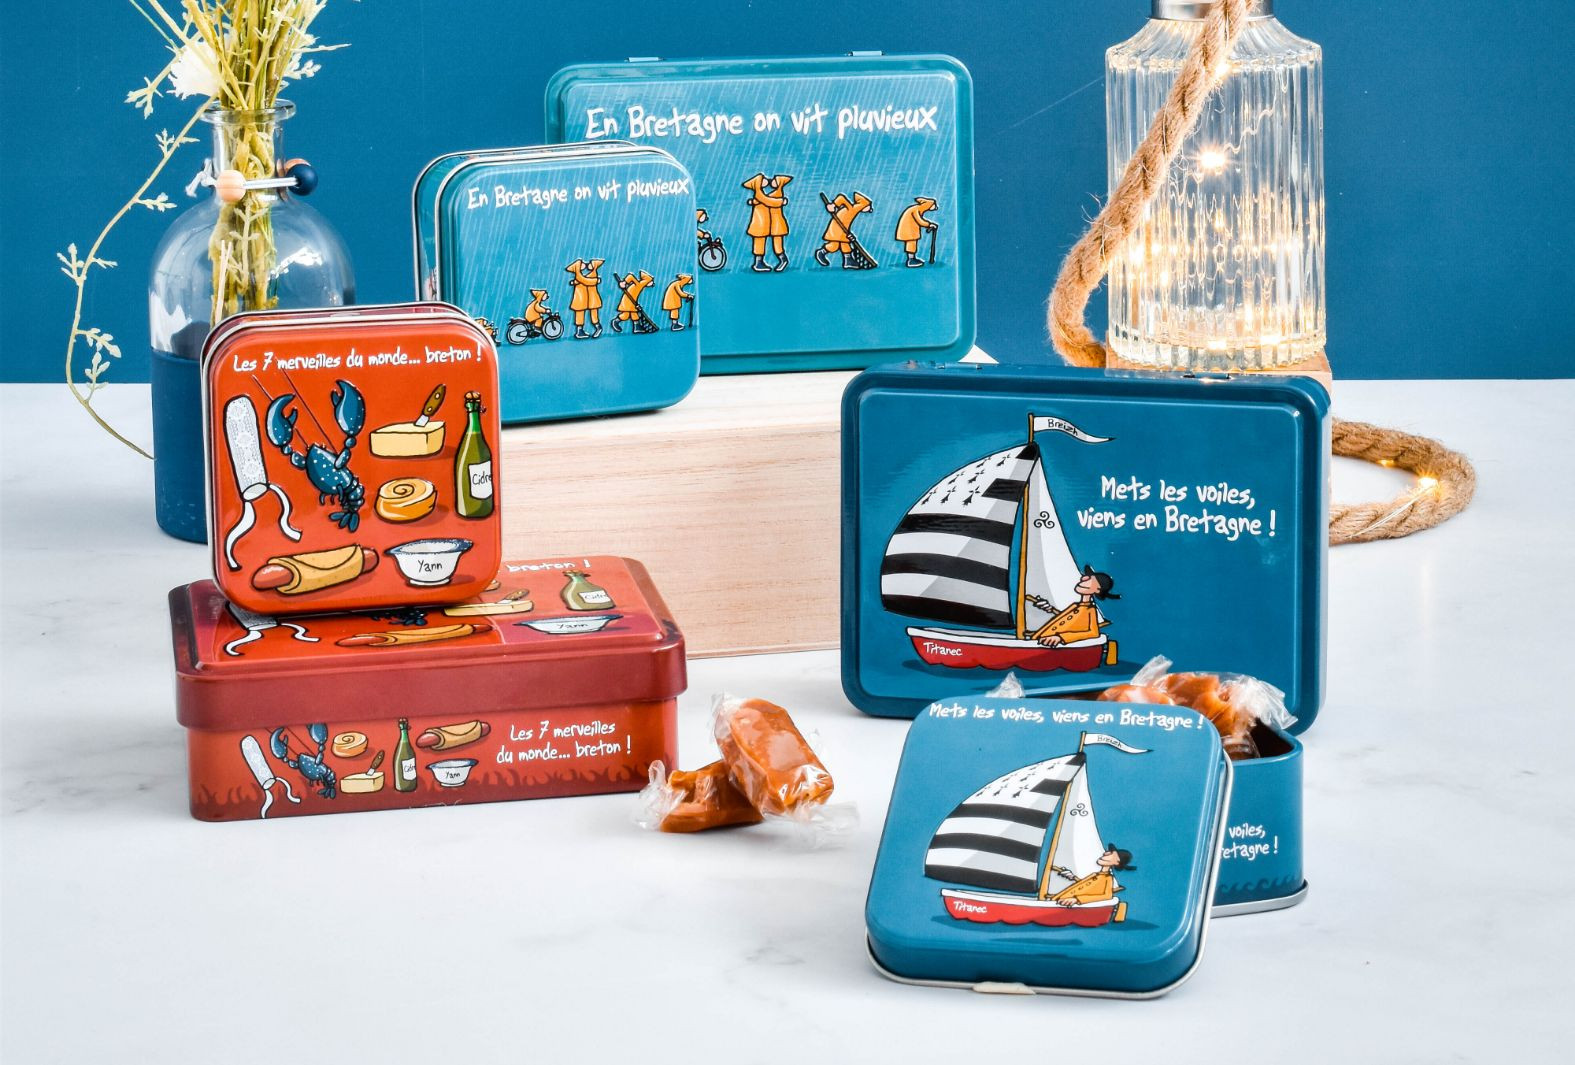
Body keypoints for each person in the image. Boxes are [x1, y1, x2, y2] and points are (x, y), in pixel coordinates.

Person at [1026, 564, 1118, 647]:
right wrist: (1050, 609)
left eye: (1090, 579)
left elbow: (1093, 633)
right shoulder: (1075, 606)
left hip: (1052, 643)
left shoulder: (1090, 610)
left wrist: (1061, 637)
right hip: (1042, 638)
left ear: (1097, 590)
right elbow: (1065, 618)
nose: (1083, 578)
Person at [1051, 844, 1134, 907]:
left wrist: (1077, 899)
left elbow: (1106, 896)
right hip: (1059, 899)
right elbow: (1087, 886)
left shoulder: (1107, 878)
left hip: (1067, 904)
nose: (1105, 853)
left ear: (1117, 862)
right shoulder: (1096, 875)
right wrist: (1072, 876)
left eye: (1111, 854)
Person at [742, 173, 792, 272]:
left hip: (775, 223)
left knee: (777, 242)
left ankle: (782, 259)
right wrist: (781, 201)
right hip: (760, 223)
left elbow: (768, 200)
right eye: (763, 179)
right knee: (760, 242)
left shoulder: (774, 193)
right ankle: (759, 263)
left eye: (775, 181)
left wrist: (753, 201)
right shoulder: (759, 194)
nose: (768, 180)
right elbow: (767, 200)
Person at [816, 191, 873, 268]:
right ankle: (821, 252)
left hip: (842, 229)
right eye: (868, 206)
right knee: (834, 245)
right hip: (837, 228)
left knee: (845, 244)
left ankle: (848, 261)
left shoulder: (853, 211)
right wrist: (833, 205)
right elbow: (841, 198)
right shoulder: (851, 208)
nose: (870, 209)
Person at [565, 258, 604, 339]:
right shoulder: (579, 277)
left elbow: (586, 281)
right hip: (580, 298)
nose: (586, 264)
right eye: (581, 264)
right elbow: (583, 280)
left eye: (590, 264)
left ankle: (598, 327)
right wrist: (575, 281)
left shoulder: (587, 276)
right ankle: (580, 331)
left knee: (593, 313)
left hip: (592, 298)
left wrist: (595, 280)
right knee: (580, 313)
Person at [895, 196, 939, 267]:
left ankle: (912, 258)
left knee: (912, 243)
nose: (936, 207)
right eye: (934, 205)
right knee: (911, 243)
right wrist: (929, 224)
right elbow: (920, 221)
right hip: (908, 229)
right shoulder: (916, 209)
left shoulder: (917, 209)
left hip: (910, 229)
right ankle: (911, 260)